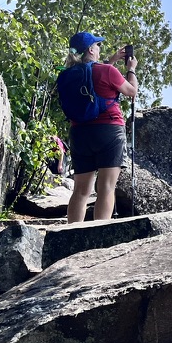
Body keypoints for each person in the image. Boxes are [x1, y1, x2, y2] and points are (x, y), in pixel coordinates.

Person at [63, 31, 138, 222]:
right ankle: (99, 233)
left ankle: (71, 234)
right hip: (109, 131)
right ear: (90, 50)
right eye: (97, 45)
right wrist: (131, 70)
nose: (99, 48)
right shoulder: (107, 71)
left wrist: (111, 60)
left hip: (79, 133)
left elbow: (92, 78)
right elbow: (131, 91)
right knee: (106, 188)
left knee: (81, 190)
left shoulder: (68, 74)